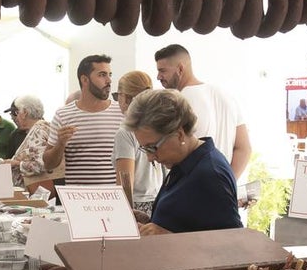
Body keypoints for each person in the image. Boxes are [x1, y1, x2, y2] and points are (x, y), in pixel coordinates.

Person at [123, 89, 242, 235]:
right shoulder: (185, 163)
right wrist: (150, 222)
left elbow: (232, 245)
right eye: (145, 149)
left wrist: (168, 237)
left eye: (152, 148)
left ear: (179, 134)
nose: (150, 157)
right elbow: (188, 223)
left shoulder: (210, 175)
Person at [154, 44, 251, 179]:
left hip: (192, 186)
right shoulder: (226, 96)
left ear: (180, 69)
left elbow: (175, 152)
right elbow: (244, 148)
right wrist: (228, 183)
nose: (158, 77)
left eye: (162, 71)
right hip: (222, 187)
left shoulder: (178, 102)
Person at [42, 55, 122, 185]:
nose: (109, 80)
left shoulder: (121, 112)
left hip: (113, 198)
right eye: (102, 75)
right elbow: (48, 164)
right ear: (85, 80)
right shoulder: (63, 114)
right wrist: (60, 144)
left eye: (110, 74)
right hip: (76, 200)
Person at [112, 71, 162, 216]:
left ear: (126, 98)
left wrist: (124, 214)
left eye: (117, 96)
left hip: (137, 206)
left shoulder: (126, 131)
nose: (117, 101)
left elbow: (125, 181)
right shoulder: (156, 124)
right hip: (158, 200)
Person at [5, 95, 64, 194]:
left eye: (16, 112)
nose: (15, 117)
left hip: (39, 192)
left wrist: (16, 163)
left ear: (25, 113)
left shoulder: (38, 131)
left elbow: (41, 164)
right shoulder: (45, 128)